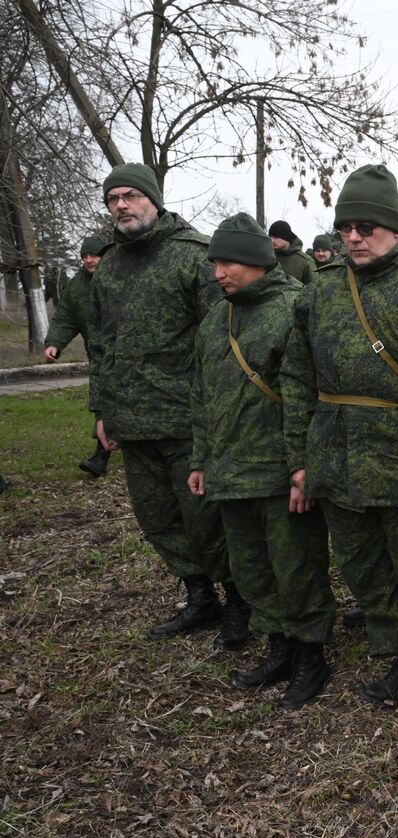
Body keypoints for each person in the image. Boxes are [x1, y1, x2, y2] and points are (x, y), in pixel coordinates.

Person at [282, 164, 398, 712]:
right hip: (337, 457)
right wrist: (300, 456)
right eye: (346, 228)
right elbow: (296, 376)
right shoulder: (321, 291)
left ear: (396, 226)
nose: (354, 238)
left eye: (366, 227)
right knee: (362, 567)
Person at [90, 164, 246, 646]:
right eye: (113, 197)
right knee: (158, 520)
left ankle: (240, 601)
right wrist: (102, 410)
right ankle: (200, 597)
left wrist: (218, 414)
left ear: (153, 200)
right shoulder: (110, 264)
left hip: (187, 422)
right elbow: (102, 343)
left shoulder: (192, 256)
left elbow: (222, 339)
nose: (121, 205)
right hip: (133, 423)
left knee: (206, 521)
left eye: (131, 196)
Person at [189, 214, 337, 708]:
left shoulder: (295, 308)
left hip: (280, 474)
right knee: (252, 572)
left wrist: (303, 469)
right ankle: (279, 646)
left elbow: (309, 398)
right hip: (230, 474)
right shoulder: (216, 320)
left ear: (256, 261)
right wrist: (200, 459)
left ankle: (311, 655)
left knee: (297, 569)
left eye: (227, 261)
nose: (218, 273)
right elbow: (202, 395)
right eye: (214, 263)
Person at [45, 234, 113, 476]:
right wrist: (54, 343)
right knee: (101, 403)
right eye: (84, 256)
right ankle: (101, 456)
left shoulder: (122, 277)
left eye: (93, 255)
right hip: (98, 356)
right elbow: (65, 317)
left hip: (130, 355)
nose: (88, 260)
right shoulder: (77, 287)